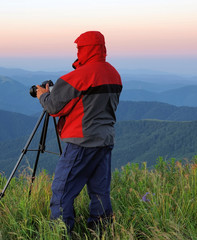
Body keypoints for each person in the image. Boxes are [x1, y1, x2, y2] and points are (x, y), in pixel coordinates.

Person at [36, 31, 122, 233]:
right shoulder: (113, 73)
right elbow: (90, 103)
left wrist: (42, 95)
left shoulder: (79, 76)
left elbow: (53, 107)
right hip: (105, 140)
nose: (78, 51)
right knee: (100, 191)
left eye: (79, 48)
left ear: (85, 49)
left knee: (62, 190)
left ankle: (60, 233)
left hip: (81, 142)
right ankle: (99, 232)